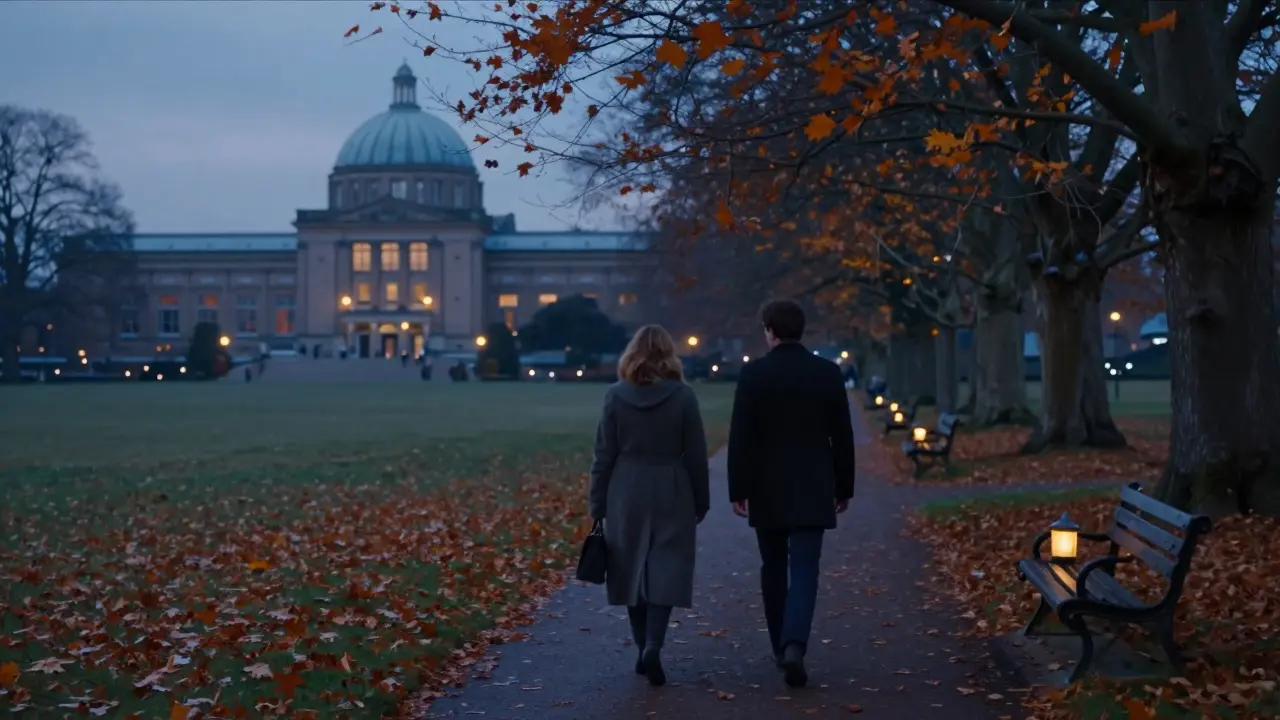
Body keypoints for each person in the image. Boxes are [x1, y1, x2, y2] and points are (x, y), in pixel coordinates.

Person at [727, 299, 856, 689]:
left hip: (767, 484)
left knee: (772, 568)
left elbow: (741, 438)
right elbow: (843, 436)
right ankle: (794, 642)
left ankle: (779, 645)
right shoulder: (827, 373)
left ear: (770, 330)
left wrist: (739, 487)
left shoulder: (753, 375)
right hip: (813, 481)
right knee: (804, 568)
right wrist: (843, 485)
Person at [589, 324, 710, 688]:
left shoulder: (615, 396)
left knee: (629, 567)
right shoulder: (684, 397)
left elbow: (603, 455)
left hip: (626, 487)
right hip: (671, 484)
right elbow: (697, 455)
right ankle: (654, 644)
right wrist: (701, 500)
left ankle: (642, 645)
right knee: (666, 566)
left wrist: (597, 503)